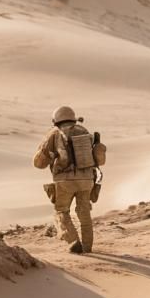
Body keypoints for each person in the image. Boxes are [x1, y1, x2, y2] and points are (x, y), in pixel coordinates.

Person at [33, 105, 105, 254]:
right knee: (84, 212)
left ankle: (73, 242)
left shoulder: (54, 134)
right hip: (87, 179)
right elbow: (97, 158)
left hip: (64, 181)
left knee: (61, 211)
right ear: (73, 118)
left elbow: (39, 163)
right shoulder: (84, 132)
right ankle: (87, 247)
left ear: (56, 120)